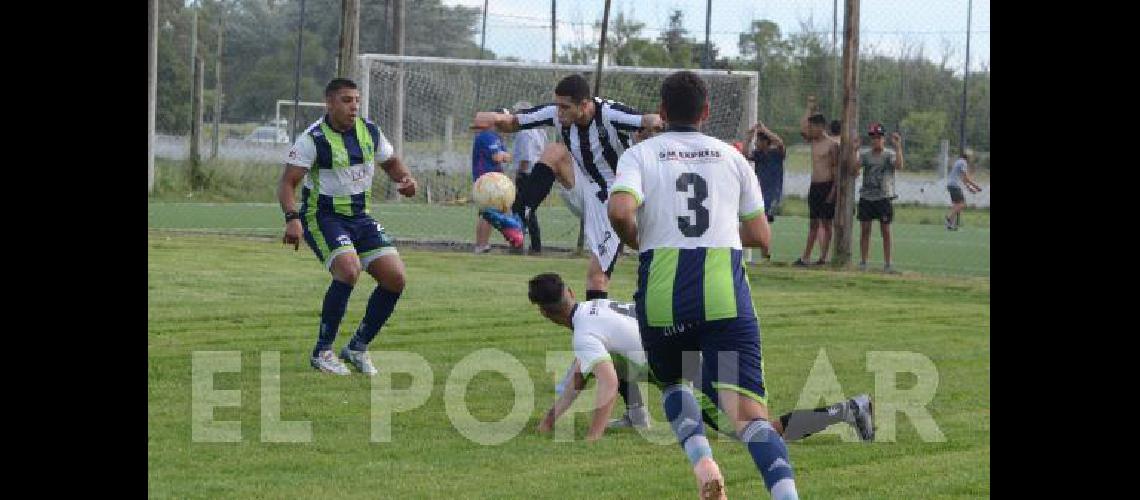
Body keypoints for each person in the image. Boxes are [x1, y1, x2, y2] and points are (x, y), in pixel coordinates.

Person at [608, 70, 800, 500]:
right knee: (750, 417)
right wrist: (720, 231)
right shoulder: (732, 158)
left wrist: (640, 238)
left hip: (664, 302)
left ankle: (703, 462)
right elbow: (762, 238)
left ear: (661, 112)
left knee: (675, 384)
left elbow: (620, 210)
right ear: (706, 112)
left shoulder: (641, 154)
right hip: (723, 301)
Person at [528, 273, 874, 444]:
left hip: (694, 365)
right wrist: (547, 422)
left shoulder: (583, 334)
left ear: (544, 313)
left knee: (757, 432)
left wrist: (591, 439)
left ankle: (847, 410)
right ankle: (637, 417)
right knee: (616, 361)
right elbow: (580, 375)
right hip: (695, 344)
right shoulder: (594, 307)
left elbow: (608, 381)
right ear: (570, 292)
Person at [472, 74, 663, 301]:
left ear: (584, 105)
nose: (559, 112)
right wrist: (493, 118)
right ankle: (519, 219)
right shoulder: (557, 113)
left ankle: (595, 325)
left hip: (617, 199)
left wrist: (657, 122)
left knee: (596, 277)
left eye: (565, 107)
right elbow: (514, 122)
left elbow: (647, 120)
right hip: (584, 187)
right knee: (555, 151)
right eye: (558, 105)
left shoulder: (610, 114)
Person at [278, 78, 418, 376]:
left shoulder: (370, 132)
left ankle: (357, 347)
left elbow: (392, 163)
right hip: (323, 216)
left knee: (396, 278)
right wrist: (292, 218)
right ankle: (322, 351)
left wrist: (405, 180)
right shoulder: (313, 139)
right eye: (346, 100)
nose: (353, 106)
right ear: (329, 103)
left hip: (361, 217)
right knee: (348, 269)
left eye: (356, 99)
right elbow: (288, 183)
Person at [854, 122, 906, 273]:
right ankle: (863, 262)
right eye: (873, 137)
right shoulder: (865, 155)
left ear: (883, 138)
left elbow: (899, 165)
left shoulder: (889, 155)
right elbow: (854, 168)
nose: (875, 140)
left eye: (878, 137)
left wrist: (898, 147)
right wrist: (854, 150)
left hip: (883, 197)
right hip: (866, 197)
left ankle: (888, 264)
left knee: (886, 231)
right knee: (865, 230)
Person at [795, 96, 840, 267]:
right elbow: (803, 127)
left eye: (814, 126)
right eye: (811, 126)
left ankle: (824, 257)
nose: (811, 129)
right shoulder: (813, 141)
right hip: (814, 186)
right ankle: (805, 257)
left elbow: (835, 170)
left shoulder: (832, 145)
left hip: (827, 186)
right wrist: (809, 107)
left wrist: (833, 192)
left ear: (821, 127)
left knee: (826, 223)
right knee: (813, 222)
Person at [471, 116, 523, 252]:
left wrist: (506, 155)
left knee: (490, 213)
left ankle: (483, 244)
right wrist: (507, 156)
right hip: (487, 180)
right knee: (487, 213)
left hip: (494, 179)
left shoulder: (496, 137)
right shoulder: (487, 136)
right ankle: (481, 245)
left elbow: (505, 155)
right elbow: (498, 156)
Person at [741, 121, 785, 263]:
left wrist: (765, 130)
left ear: (766, 142)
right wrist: (749, 137)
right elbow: (745, 154)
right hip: (759, 192)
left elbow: (780, 142)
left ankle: (765, 254)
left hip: (773, 193)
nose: (757, 144)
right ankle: (765, 254)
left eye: (759, 141)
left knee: (764, 220)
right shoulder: (758, 154)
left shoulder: (776, 153)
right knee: (762, 220)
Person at [508, 101, 549, 254]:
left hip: (526, 174)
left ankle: (519, 244)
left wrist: (518, 174)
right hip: (538, 173)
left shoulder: (524, 132)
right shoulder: (540, 131)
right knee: (528, 210)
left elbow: (526, 157)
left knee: (520, 209)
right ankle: (533, 244)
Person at [945, 149, 982, 230]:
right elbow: (966, 178)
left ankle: (950, 224)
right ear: (968, 157)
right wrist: (976, 186)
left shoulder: (959, 161)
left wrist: (969, 188)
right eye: (971, 157)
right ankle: (948, 218)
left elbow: (963, 179)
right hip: (954, 185)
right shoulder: (963, 163)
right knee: (962, 204)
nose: (971, 159)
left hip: (951, 184)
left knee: (956, 205)